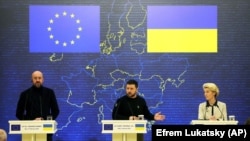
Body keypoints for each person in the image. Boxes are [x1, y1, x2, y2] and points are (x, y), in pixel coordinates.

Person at [16, 70, 60, 141]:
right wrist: (32, 121)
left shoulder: (49, 93)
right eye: (35, 78)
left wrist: (44, 120)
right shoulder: (25, 94)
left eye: (39, 78)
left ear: (43, 79)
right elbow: (18, 113)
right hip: (29, 130)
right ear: (32, 79)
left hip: (46, 130)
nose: (37, 80)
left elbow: (56, 111)